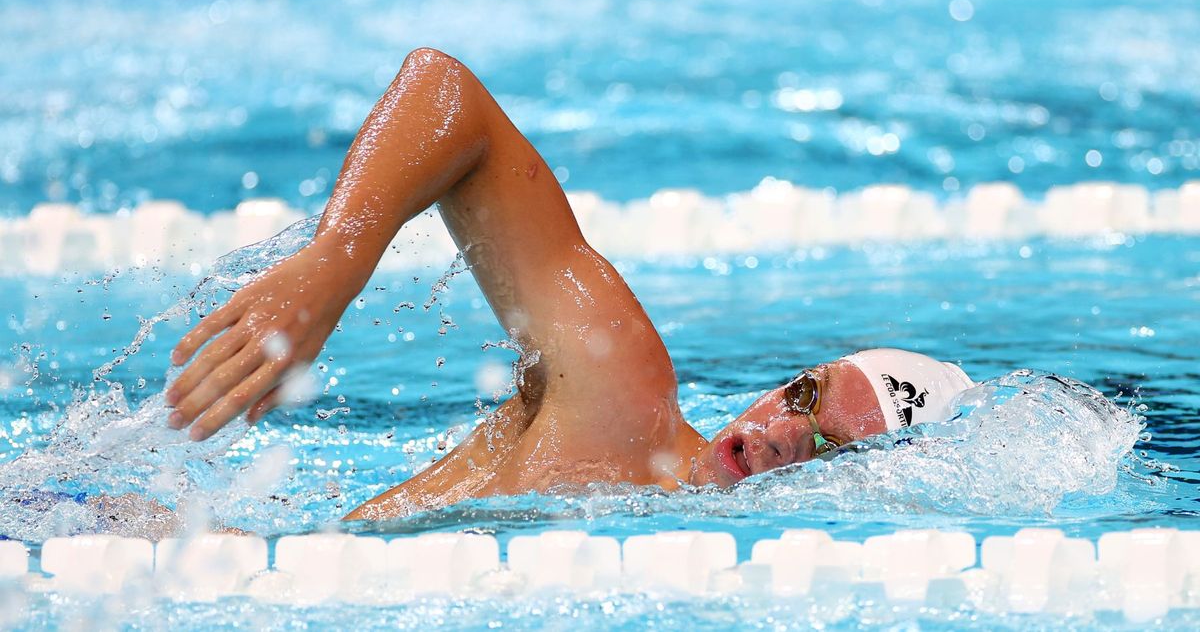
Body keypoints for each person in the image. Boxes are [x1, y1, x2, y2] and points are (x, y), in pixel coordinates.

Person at [163, 48, 975, 521]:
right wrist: (332, 264)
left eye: (831, 447)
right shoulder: (623, 396)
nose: (784, 433)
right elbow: (448, 95)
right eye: (804, 396)